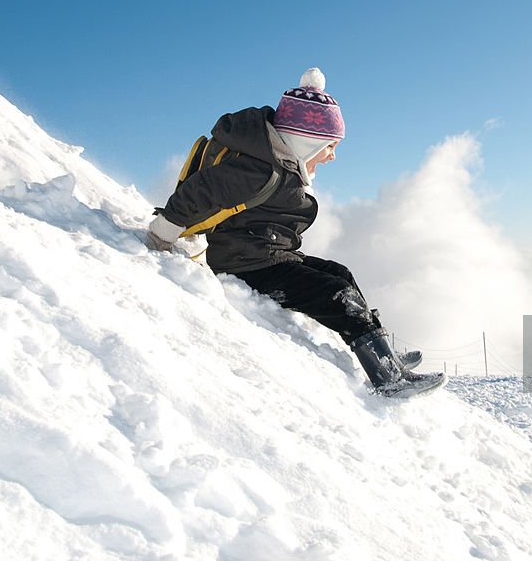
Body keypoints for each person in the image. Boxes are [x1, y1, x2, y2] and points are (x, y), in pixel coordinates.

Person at [147, 68, 446, 398]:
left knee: (340, 274)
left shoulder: (278, 165)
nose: (332, 156)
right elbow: (202, 191)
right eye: (329, 147)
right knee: (336, 295)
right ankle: (389, 380)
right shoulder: (260, 170)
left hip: (270, 255)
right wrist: (166, 230)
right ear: (305, 142)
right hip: (248, 266)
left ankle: (383, 355)